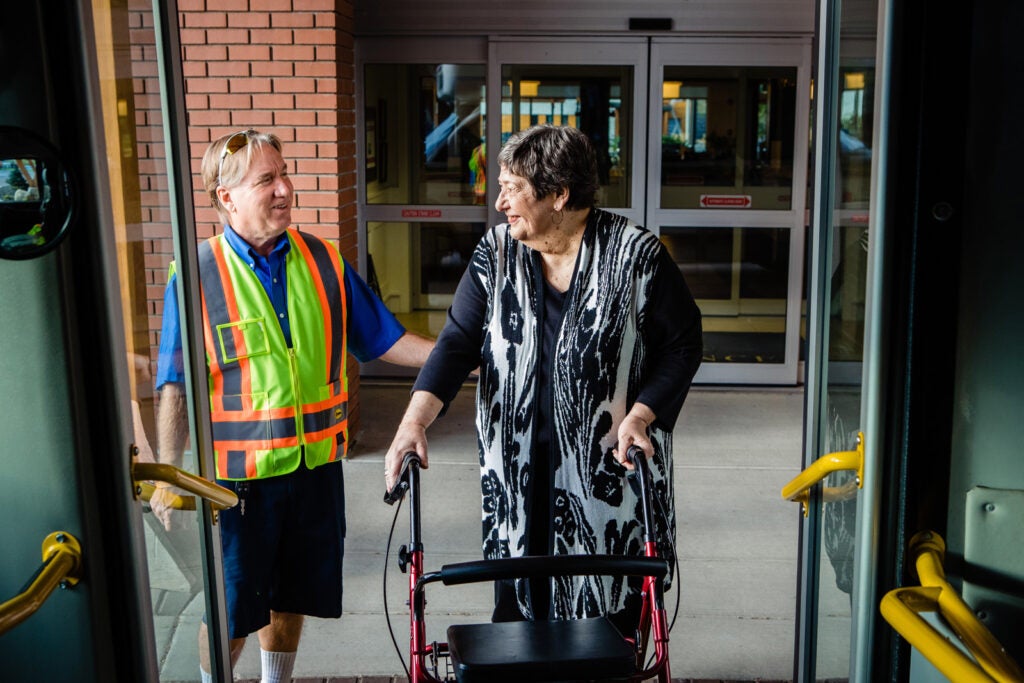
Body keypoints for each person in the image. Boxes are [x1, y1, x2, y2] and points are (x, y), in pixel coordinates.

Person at [384, 124, 702, 635]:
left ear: (559, 194)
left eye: (512, 188)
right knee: (518, 615)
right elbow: (458, 342)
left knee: (609, 619)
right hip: (517, 474)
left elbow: (683, 345)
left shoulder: (637, 255)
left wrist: (643, 414)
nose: (499, 203)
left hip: (608, 473)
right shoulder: (497, 254)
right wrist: (413, 422)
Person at [152, 129, 434, 683]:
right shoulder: (197, 270)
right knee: (232, 609)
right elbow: (175, 383)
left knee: (291, 595)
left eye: (284, 174)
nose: (284, 188)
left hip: (313, 472)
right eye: (267, 180)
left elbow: (383, 340)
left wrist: (466, 356)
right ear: (226, 196)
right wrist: (167, 473)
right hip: (235, 485)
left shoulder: (323, 259)